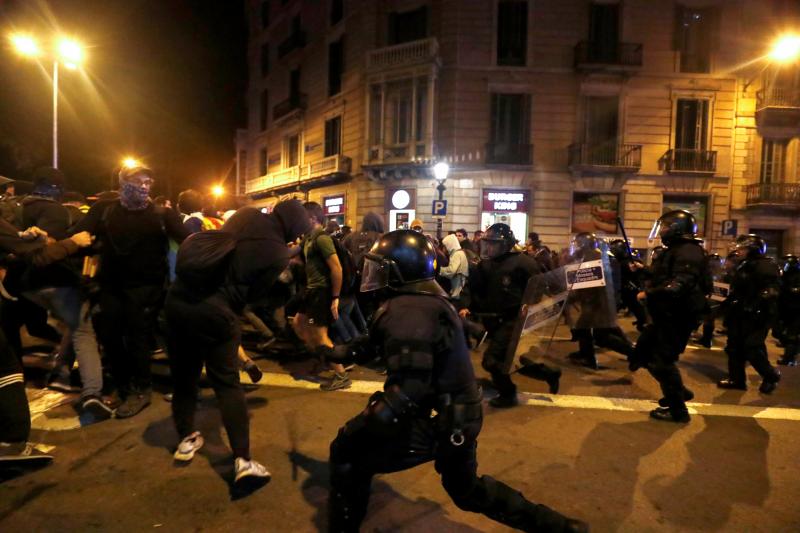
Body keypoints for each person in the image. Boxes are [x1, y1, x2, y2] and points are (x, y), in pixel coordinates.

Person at [326, 229, 588, 532]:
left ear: (400, 270)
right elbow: (372, 346)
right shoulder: (422, 302)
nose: (370, 274)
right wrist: (328, 350)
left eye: (379, 267)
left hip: (445, 421)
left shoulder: (408, 309)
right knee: (468, 492)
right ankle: (562, 528)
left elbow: (409, 390)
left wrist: (369, 422)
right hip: (458, 415)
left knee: (348, 451)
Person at [165, 200, 310, 485]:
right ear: (293, 226)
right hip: (216, 312)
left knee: (184, 378)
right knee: (227, 384)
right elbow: (255, 297)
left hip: (178, 302)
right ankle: (243, 461)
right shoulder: (277, 253)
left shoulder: (245, 214)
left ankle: (185, 440)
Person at [70, 165, 190, 418]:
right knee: (110, 336)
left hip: (148, 287)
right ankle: (124, 383)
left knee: (139, 337)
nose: (144, 186)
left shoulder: (162, 214)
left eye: (148, 181)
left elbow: (189, 241)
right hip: (110, 286)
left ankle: (141, 388)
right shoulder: (104, 210)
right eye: (137, 181)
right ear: (122, 183)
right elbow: (76, 235)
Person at [0, 218, 93, 463]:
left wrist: (30, 237)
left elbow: (21, 247)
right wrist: (72, 242)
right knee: (7, 369)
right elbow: (35, 256)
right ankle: (12, 443)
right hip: (49, 285)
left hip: (22, 289)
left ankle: (61, 373)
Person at [468, 223, 561, 407]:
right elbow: (475, 289)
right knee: (512, 359)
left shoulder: (524, 263)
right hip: (493, 319)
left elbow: (538, 285)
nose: (489, 247)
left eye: (494, 244)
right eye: (487, 243)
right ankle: (548, 373)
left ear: (505, 244)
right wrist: (466, 306)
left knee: (492, 361)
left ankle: (508, 394)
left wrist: (530, 305)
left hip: (513, 320)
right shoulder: (485, 264)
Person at [633, 210, 710, 423]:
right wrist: (643, 270)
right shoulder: (675, 250)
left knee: (662, 362)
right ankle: (678, 391)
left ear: (677, 228)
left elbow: (678, 285)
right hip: (665, 315)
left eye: (666, 226)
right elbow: (663, 275)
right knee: (643, 354)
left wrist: (648, 293)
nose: (663, 231)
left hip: (678, 316)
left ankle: (678, 411)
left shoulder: (688, 251)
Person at [292, 202, 351, 391]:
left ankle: (341, 374)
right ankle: (322, 356)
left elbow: (337, 268)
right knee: (299, 323)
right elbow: (295, 255)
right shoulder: (308, 238)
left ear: (312, 219)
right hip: (311, 291)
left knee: (320, 335)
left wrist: (335, 297)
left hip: (321, 292)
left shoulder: (322, 238)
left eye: (302, 218)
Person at [717, 234, 782, 394]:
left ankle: (771, 375)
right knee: (734, 347)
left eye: (743, 248)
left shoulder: (765, 265)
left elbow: (771, 291)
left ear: (753, 250)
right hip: (740, 313)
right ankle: (737, 379)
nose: (739, 251)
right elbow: (738, 289)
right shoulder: (744, 265)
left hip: (757, 315)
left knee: (752, 347)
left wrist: (756, 305)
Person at [567, 233, 634, 370]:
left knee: (602, 335)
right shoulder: (594, 255)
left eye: (578, 243)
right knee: (585, 327)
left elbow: (588, 282)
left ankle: (635, 354)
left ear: (584, 244)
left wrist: (574, 296)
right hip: (599, 301)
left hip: (598, 303)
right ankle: (586, 354)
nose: (576, 246)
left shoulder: (592, 257)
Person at [777, 254, 800, 366]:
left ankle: (789, 358)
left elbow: (794, 291)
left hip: (796, 310)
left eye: (786, 264)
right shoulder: (785, 276)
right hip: (787, 310)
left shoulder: (797, 276)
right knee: (780, 332)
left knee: (791, 335)